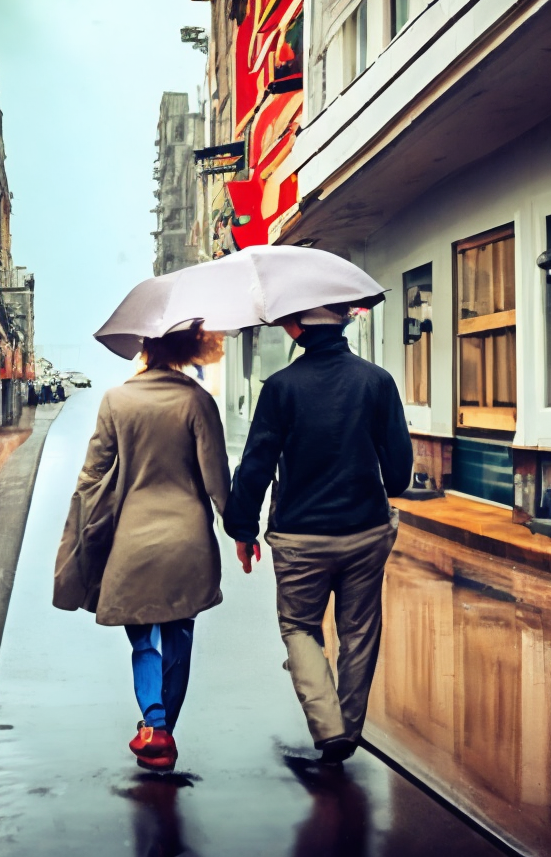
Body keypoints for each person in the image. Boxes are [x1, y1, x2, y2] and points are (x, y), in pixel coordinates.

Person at [223, 304, 413, 764]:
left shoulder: (281, 388)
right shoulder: (377, 381)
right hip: (365, 530)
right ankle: (347, 730)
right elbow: (400, 472)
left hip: (299, 536)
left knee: (299, 627)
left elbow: (256, 465)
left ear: (296, 328)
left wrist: (242, 527)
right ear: (344, 323)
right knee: (360, 630)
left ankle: (327, 728)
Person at [54, 323, 229, 772]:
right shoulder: (198, 400)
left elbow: (93, 475)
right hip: (188, 541)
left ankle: (153, 720)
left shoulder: (117, 400)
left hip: (132, 541)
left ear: (145, 347)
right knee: (179, 632)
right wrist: (241, 530)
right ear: (188, 348)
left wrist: (81, 530)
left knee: (143, 636)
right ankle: (164, 726)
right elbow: (217, 479)